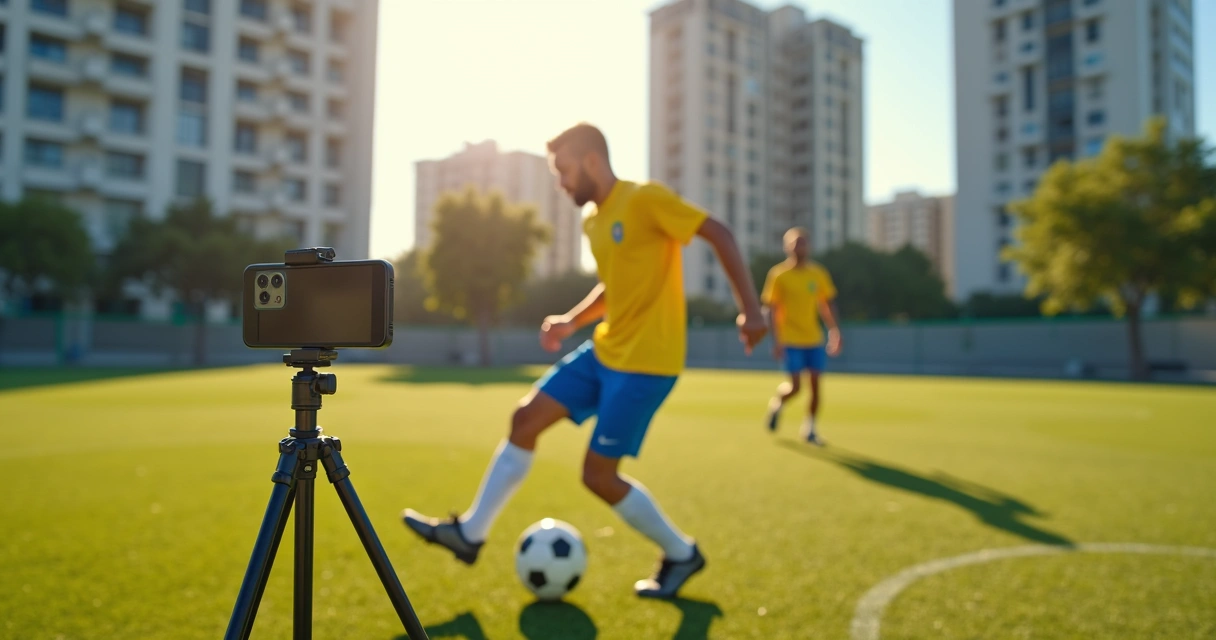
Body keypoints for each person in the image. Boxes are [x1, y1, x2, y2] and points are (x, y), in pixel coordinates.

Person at [401, 123, 766, 599]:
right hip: (604, 350)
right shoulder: (594, 220)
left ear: (592, 161)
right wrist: (571, 321)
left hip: (647, 364)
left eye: (565, 171)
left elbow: (717, 232)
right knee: (525, 419)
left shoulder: (645, 199)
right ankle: (470, 535)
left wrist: (752, 310)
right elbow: (614, 287)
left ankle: (681, 553)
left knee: (597, 475)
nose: (561, 183)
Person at [761, 228, 842, 444]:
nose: (800, 247)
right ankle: (777, 404)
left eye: (803, 242)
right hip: (789, 338)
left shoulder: (818, 274)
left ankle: (810, 428)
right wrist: (776, 340)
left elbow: (827, 304)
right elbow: (771, 308)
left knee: (815, 385)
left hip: (813, 339)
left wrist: (835, 331)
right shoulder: (779, 275)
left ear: (809, 246)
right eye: (795, 243)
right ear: (787, 247)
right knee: (796, 386)